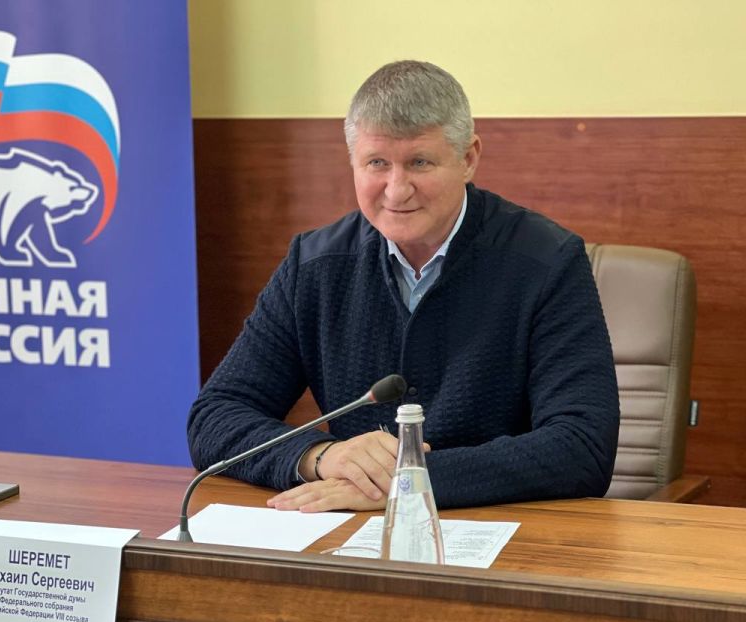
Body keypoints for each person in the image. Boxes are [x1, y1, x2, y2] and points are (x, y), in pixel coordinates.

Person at [187, 60, 619, 512]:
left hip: (504, 526)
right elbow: (215, 417)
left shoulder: (546, 260)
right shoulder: (314, 265)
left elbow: (582, 445)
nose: (396, 190)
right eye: (377, 163)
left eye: (419, 162)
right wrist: (321, 456)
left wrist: (409, 482)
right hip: (356, 530)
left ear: (468, 158)